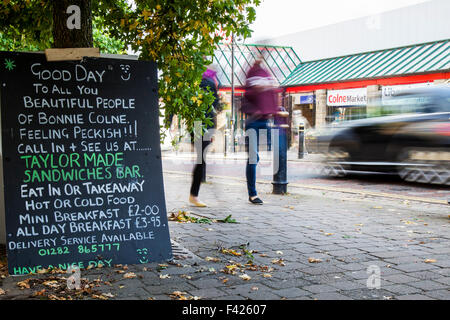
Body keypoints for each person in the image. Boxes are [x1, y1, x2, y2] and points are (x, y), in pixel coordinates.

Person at [242, 57, 279, 204]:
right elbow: (249, 94)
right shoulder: (251, 73)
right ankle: (252, 194)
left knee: (278, 146)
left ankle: (280, 183)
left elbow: (272, 94)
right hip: (253, 120)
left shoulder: (266, 73)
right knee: (253, 158)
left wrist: (273, 110)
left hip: (265, 120)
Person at [189, 65, 219, 207]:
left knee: (201, 158)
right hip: (204, 124)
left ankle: (194, 194)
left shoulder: (195, 78)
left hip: (195, 123)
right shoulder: (209, 81)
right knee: (201, 159)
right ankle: (194, 195)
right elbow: (214, 105)